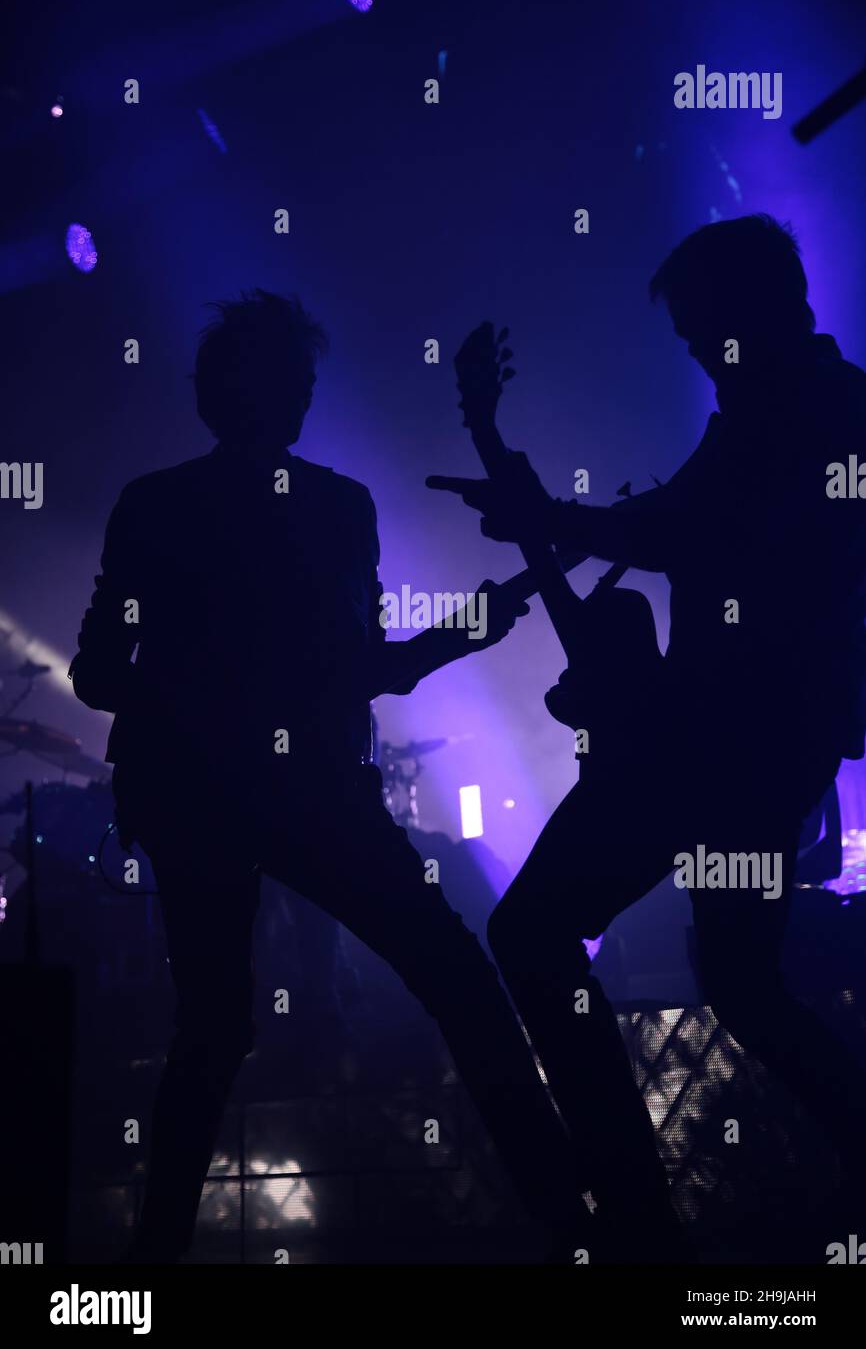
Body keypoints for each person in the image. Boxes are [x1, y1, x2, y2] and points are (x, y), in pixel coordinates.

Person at [70, 289, 590, 1263]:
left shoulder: (154, 505)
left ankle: (150, 1265)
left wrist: (187, 699)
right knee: (455, 979)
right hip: (314, 795)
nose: (305, 400)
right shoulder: (340, 510)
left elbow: (99, 672)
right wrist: (465, 631)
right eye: (298, 385)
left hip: (199, 797)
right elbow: (369, 669)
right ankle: (568, 1217)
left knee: (213, 1032)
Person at [428, 215, 866, 1260]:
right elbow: (676, 526)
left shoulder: (803, 412)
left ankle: (633, 1214)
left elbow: (677, 530)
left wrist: (537, 501)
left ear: (748, 312)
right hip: (742, 743)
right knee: (743, 986)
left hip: (716, 742)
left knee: (538, 937)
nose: (691, 352)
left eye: (698, 329)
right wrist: (532, 496)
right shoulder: (797, 403)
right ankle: (642, 1217)